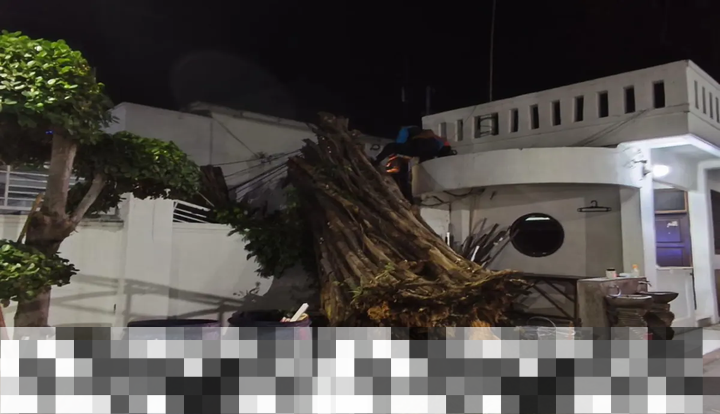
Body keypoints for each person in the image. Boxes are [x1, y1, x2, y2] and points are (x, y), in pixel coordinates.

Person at [372, 125, 453, 166]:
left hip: (419, 146)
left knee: (391, 146)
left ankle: (377, 161)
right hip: (426, 148)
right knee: (393, 147)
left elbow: (401, 140)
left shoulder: (412, 131)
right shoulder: (437, 141)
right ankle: (377, 161)